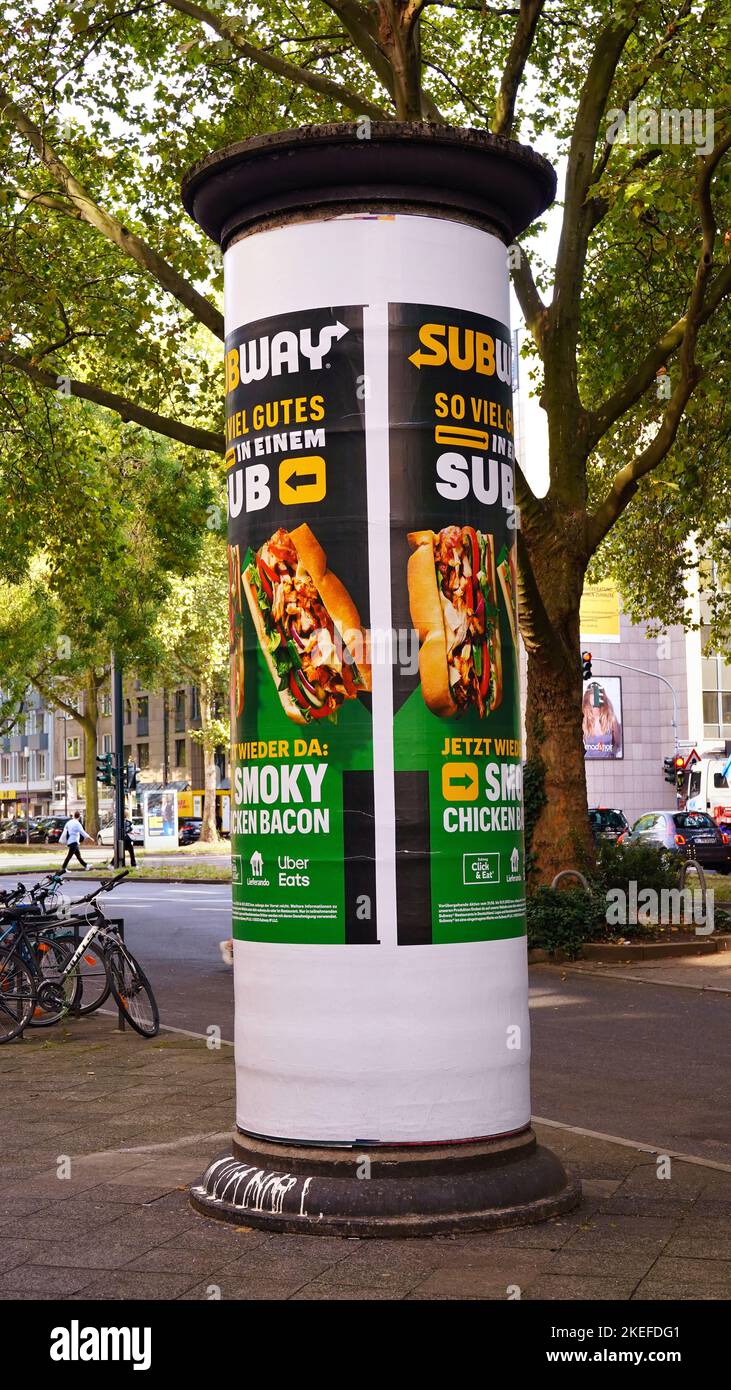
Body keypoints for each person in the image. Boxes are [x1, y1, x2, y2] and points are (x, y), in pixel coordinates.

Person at [582, 682, 622, 759]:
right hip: (589, 763)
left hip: (608, 762)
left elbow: (617, 743)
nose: (595, 708)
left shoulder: (611, 719)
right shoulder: (584, 721)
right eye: (592, 704)